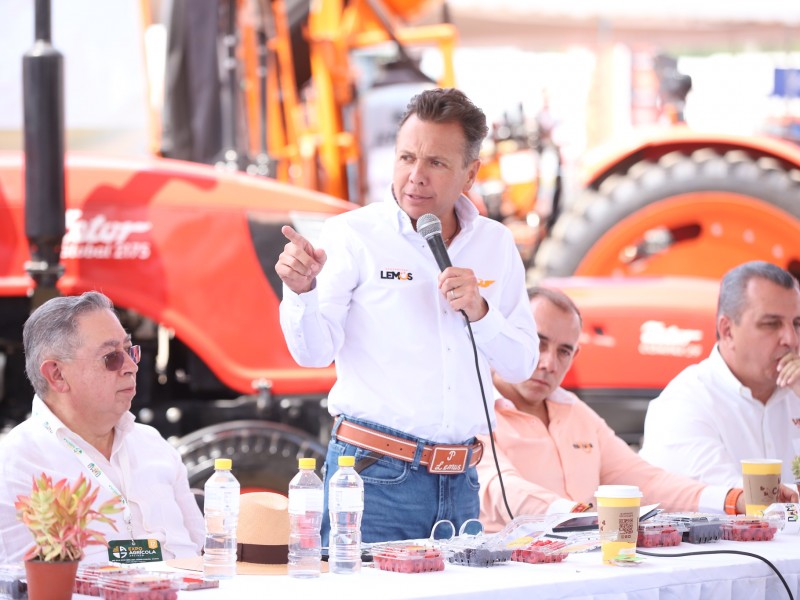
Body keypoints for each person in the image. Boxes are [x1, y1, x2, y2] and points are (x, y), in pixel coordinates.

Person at [275, 87, 539, 543]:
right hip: (373, 478)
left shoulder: (495, 244)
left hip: (462, 483)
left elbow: (521, 365)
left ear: (470, 174)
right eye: (406, 158)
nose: (415, 176)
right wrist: (302, 293)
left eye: (436, 162)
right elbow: (313, 354)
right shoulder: (352, 234)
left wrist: (480, 311)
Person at [478, 287, 798, 532]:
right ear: (508, 335)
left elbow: (647, 482)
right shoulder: (472, 411)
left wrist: (736, 500)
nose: (548, 363)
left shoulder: (576, 412)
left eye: (563, 352)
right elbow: (499, 487)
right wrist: (578, 517)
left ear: (574, 358)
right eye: (537, 342)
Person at [0, 291, 204, 563]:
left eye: (130, 350)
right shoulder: (17, 463)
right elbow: (22, 584)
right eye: (111, 357)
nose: (131, 366)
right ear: (57, 375)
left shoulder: (153, 444)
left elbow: (207, 553)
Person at [640, 261, 800, 487]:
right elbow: (728, 504)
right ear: (727, 331)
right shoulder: (684, 404)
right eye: (771, 324)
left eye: (797, 323)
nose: (791, 339)